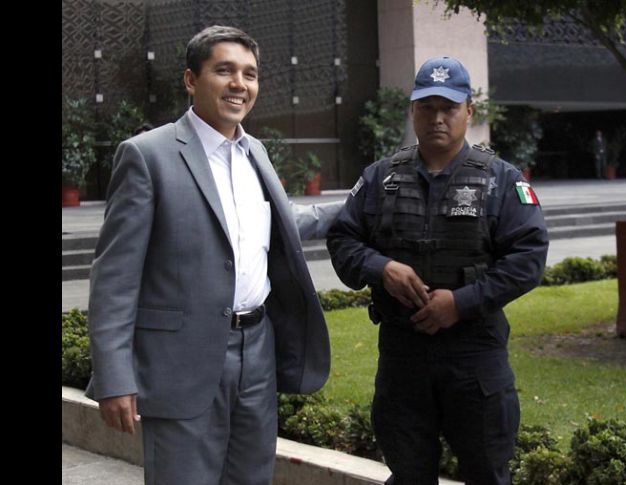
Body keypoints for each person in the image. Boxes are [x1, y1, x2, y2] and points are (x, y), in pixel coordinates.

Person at [86, 25, 341, 485]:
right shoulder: (147, 156)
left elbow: (273, 226)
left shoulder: (255, 153)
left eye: (250, 74)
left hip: (257, 352)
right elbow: (114, 279)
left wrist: (354, 203)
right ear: (191, 79)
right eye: (224, 71)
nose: (239, 84)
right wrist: (114, 376)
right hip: (180, 361)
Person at [326, 56, 549, 484]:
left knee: (487, 473)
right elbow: (342, 240)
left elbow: (528, 258)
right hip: (403, 354)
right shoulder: (380, 178)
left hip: (474, 354)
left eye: (449, 107)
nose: (437, 118)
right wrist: (381, 268)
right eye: (426, 107)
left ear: (469, 111)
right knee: (408, 474)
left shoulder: (502, 180)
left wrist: (461, 303)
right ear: (413, 111)